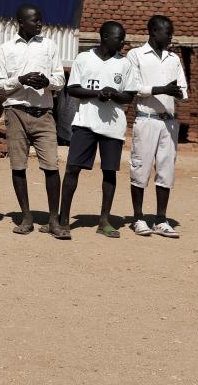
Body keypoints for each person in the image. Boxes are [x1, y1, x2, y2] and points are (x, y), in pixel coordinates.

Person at [57, 21, 138, 240]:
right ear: (104, 37)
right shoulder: (83, 58)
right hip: (85, 123)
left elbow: (129, 95)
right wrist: (96, 94)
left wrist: (113, 93)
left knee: (109, 172)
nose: (123, 42)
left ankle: (104, 221)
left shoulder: (125, 63)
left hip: (113, 127)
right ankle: (63, 220)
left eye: (123, 38)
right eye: (119, 38)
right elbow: (72, 89)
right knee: (73, 169)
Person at [0, 4, 66, 237]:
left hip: (44, 114)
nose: (39, 23)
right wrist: (21, 79)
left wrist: (46, 82)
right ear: (20, 22)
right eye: (34, 20)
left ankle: (54, 220)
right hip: (16, 113)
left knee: (51, 167)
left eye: (40, 19)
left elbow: (60, 79)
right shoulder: (6, 49)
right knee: (18, 166)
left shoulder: (49, 46)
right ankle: (26, 217)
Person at [126, 15, 187, 238]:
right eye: (167, 32)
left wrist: (178, 93)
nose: (171, 36)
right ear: (153, 31)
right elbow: (133, 87)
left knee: (166, 170)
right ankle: (139, 218)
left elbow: (183, 89)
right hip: (147, 119)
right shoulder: (136, 55)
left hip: (169, 122)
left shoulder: (173, 58)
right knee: (140, 169)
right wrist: (161, 89)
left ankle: (161, 219)